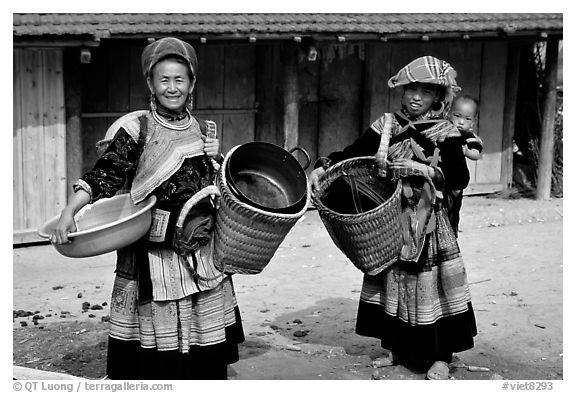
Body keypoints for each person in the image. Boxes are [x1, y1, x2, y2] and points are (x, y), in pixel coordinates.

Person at [50, 37, 244, 380]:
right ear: (150, 84)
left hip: (200, 249)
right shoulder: (136, 129)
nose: (173, 87)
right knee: (156, 352)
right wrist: (70, 211)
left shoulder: (200, 129)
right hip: (152, 252)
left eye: (179, 79)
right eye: (164, 79)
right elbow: (104, 175)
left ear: (192, 83)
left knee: (203, 349)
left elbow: (211, 183)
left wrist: (217, 155)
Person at [310, 56, 477, 380]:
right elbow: (353, 153)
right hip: (390, 216)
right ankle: (399, 350)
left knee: (433, 285)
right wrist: (324, 164)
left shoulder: (447, 131)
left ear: (438, 98)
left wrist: (425, 169)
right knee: (395, 282)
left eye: (426, 92)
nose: (416, 97)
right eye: (411, 89)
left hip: (429, 220)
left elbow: (459, 177)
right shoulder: (387, 126)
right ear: (401, 91)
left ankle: (441, 356)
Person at [445, 94, 484, 236]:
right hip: (441, 178)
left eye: (467, 119)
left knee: (452, 211)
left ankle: (451, 235)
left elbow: (476, 154)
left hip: (456, 183)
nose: (461, 122)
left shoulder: (470, 137)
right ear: (449, 114)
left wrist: (466, 151)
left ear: (473, 121)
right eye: (457, 116)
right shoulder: (444, 130)